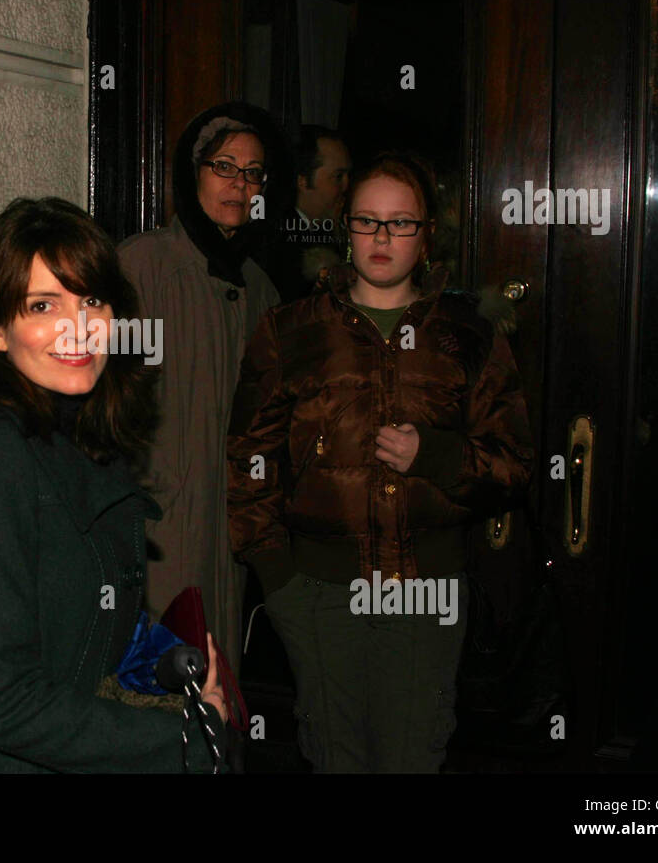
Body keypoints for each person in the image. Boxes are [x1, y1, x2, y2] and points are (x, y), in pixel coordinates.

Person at [227, 152, 533, 772]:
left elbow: (513, 464)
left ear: (426, 238)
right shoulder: (290, 330)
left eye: (401, 224)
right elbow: (248, 460)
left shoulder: (469, 334)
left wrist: (438, 455)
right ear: (347, 228)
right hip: (318, 592)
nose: (383, 238)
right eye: (368, 222)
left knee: (409, 757)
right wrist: (277, 576)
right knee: (334, 756)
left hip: (425, 592)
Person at [0, 196, 228, 773]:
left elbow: (81, 620)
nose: (78, 328)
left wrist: (159, 660)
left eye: (91, 299)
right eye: (42, 305)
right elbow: (3, 705)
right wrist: (185, 736)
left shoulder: (83, 438)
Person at [118, 102, 292, 679]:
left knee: (221, 687)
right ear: (192, 174)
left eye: (253, 172)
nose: (239, 184)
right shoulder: (142, 267)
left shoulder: (258, 286)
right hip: (158, 529)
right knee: (161, 686)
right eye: (224, 166)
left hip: (227, 531)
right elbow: (96, 400)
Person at [267, 126, 352, 301]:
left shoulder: (330, 231)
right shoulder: (275, 242)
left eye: (347, 176)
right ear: (303, 181)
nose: (346, 186)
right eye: (338, 176)